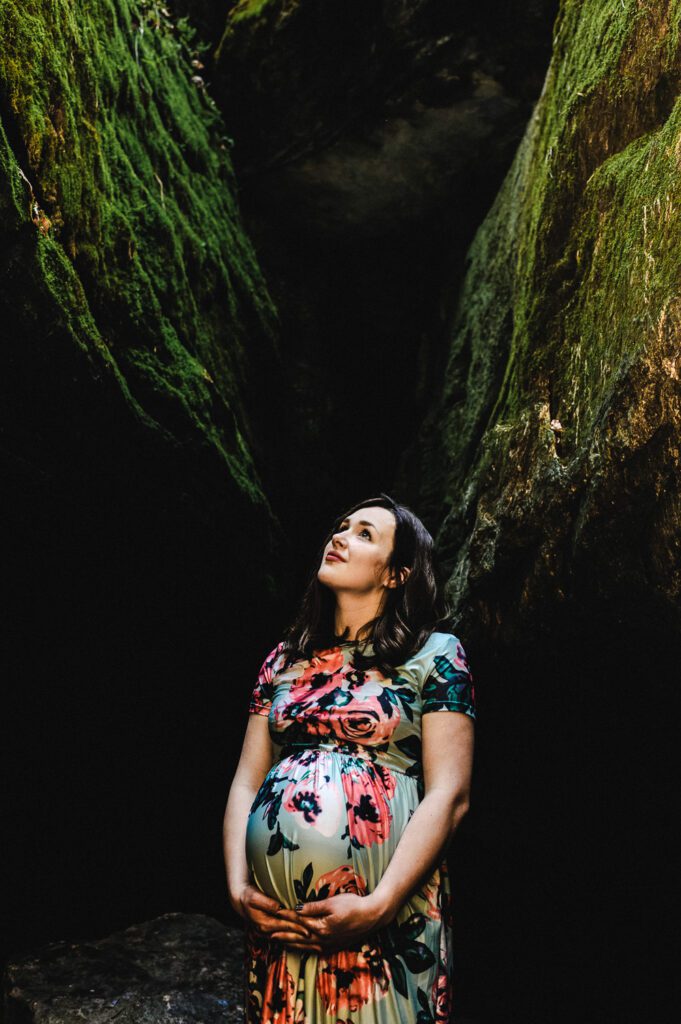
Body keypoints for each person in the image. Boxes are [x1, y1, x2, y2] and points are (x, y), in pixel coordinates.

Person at [223, 493, 475, 1023]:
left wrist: (377, 906)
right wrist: (239, 888)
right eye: (340, 527)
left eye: (364, 534)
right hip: (281, 929)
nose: (339, 537)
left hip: (385, 921)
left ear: (397, 574)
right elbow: (247, 781)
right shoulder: (284, 658)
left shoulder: (437, 655)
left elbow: (449, 795)